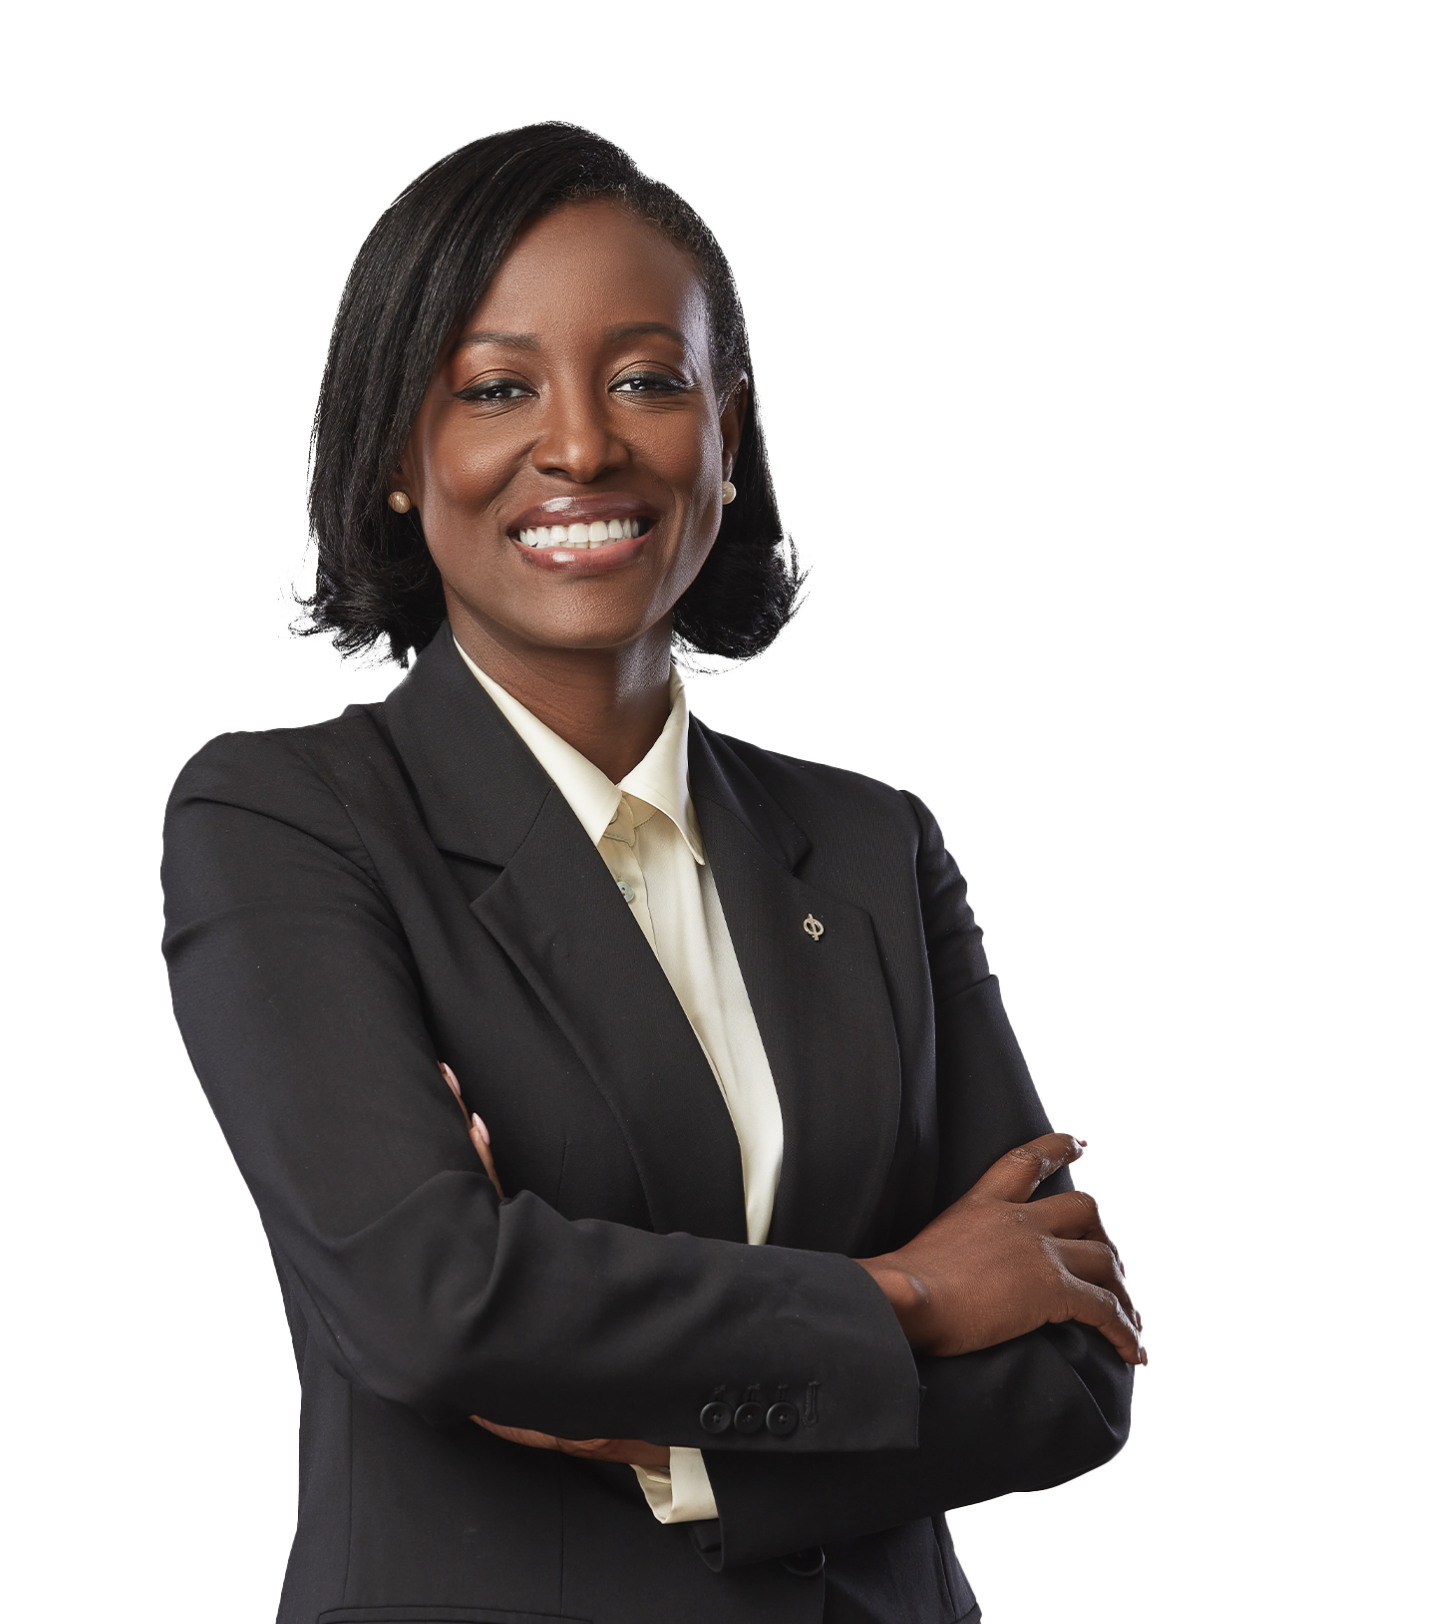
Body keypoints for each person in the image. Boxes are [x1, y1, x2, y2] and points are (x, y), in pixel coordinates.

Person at [161, 121, 1142, 1624]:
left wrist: (689, 1450)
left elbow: (1072, 1364)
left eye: (645, 380)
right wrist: (916, 1294)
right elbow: (438, 1303)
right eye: (496, 388)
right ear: (398, 459)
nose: (581, 446)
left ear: (727, 438)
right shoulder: (290, 817)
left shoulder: (877, 842)